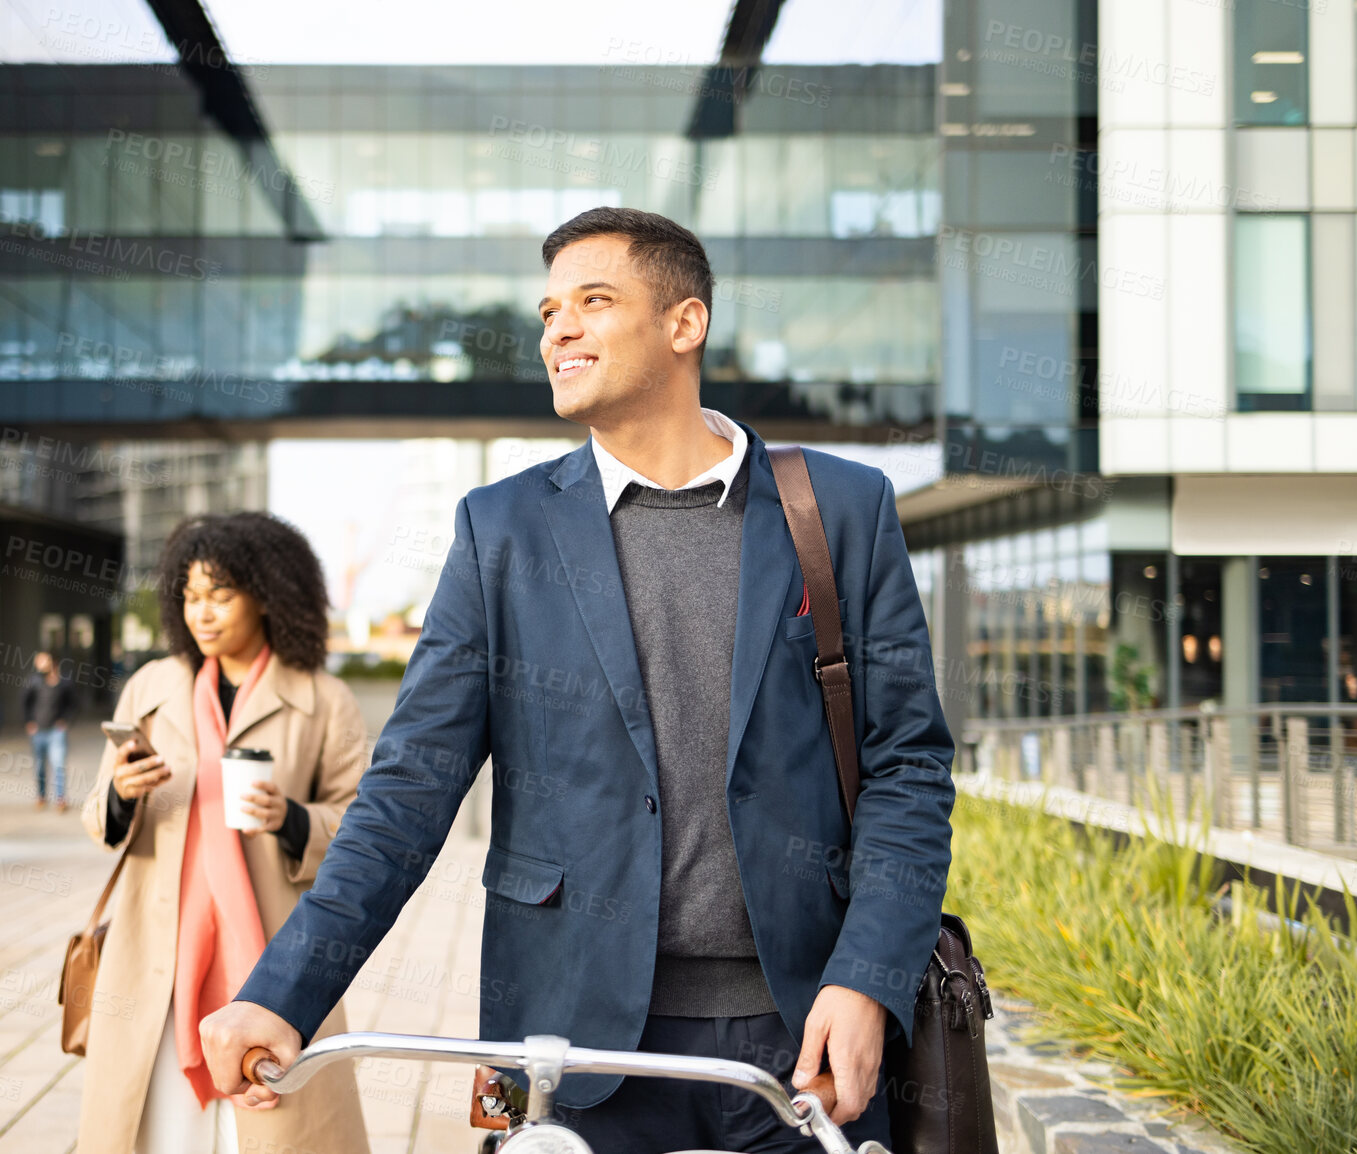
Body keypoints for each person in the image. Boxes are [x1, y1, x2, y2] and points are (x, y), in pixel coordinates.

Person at [200, 208, 955, 1154]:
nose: (557, 328)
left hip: (802, 1041)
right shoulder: (500, 531)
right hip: (568, 1047)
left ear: (684, 324)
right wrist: (282, 994)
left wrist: (868, 977)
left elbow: (907, 768)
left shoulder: (838, 509)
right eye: (549, 308)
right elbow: (408, 790)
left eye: (593, 301)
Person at [75, 513, 372, 1154]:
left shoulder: (323, 699)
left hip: (276, 949)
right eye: (190, 596)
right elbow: (98, 812)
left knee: (275, 1126)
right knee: (156, 1121)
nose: (201, 614)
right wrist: (124, 795)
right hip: (158, 949)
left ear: (265, 595)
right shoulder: (151, 687)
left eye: (220, 595)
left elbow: (365, 825)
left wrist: (291, 818)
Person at [23, 651, 77, 811]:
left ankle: (60, 799)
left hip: (56, 732)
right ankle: (41, 796)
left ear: (53, 663)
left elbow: (73, 705)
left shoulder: (64, 683)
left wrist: (66, 721)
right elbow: (25, 703)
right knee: (39, 766)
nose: (40, 664)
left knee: (58, 764)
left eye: (43, 661)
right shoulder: (34, 682)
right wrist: (29, 722)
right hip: (38, 731)